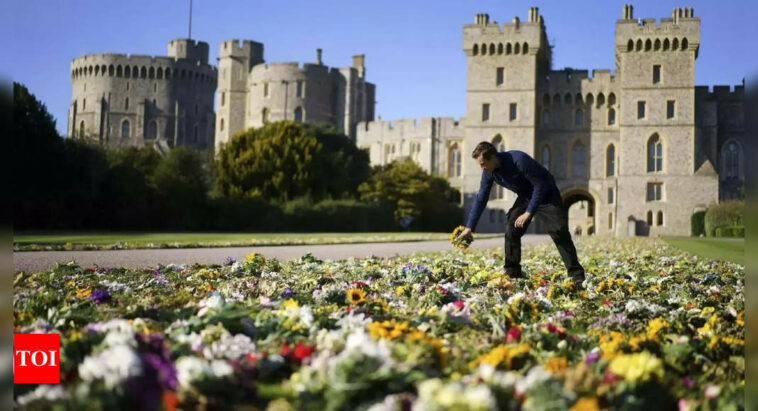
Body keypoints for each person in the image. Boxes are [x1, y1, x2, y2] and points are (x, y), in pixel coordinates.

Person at [455, 141, 586, 288]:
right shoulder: (489, 172)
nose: (482, 168)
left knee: (559, 232)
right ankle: (513, 273)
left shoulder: (519, 160)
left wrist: (529, 212)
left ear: (493, 157)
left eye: (483, 163)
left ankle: (576, 275)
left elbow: (540, 186)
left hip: (547, 194)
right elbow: (481, 198)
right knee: (512, 229)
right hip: (525, 196)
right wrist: (469, 227)